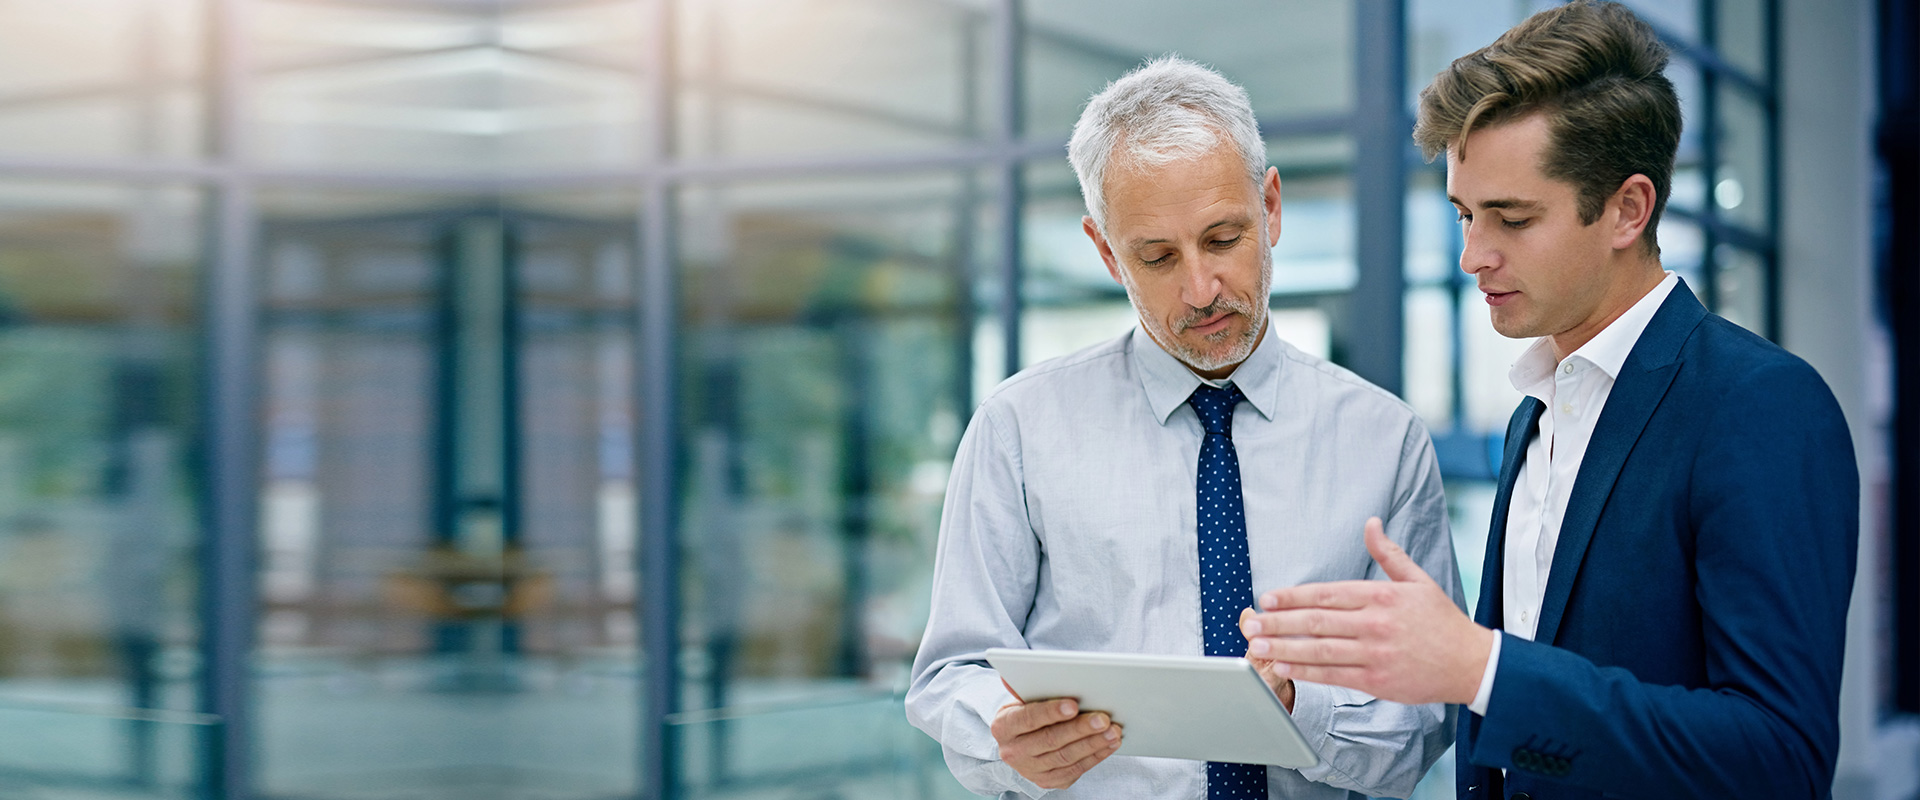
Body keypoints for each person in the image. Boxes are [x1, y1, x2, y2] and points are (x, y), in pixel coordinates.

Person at [1238, 3, 1859, 799]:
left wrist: (1479, 667)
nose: (1471, 255)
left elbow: (1780, 759)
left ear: (1628, 210)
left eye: (1513, 219)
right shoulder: (1536, 410)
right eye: (1465, 214)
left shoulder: (1761, 406)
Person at [905, 55, 1459, 800]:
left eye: (1224, 239)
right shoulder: (1019, 429)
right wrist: (1004, 733)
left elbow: (1426, 721)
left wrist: (1299, 712)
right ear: (1106, 251)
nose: (1201, 290)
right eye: (1157, 257)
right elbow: (948, 679)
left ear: (1270, 209)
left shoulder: (1384, 441)